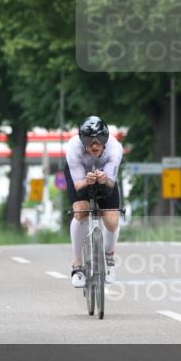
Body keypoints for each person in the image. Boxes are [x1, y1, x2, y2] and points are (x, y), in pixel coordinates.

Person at [66, 116, 123, 287]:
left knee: (112, 221)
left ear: (106, 139)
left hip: (105, 177)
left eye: (99, 140)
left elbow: (111, 183)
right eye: (89, 141)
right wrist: (86, 181)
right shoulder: (73, 147)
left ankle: (109, 256)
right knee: (81, 212)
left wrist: (104, 179)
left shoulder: (115, 148)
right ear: (82, 140)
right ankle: (77, 264)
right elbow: (77, 185)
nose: (95, 145)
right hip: (81, 178)